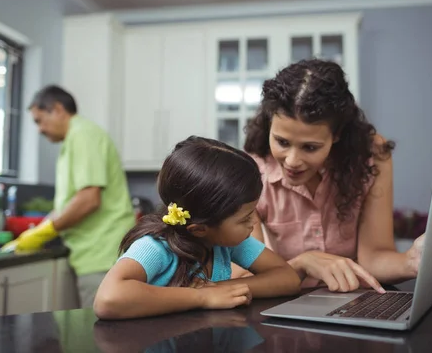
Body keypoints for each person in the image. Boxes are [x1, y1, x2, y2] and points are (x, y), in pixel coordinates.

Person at [233, 58, 432, 292]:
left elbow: (374, 256)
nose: (292, 161)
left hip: (353, 302)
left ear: (337, 135)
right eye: (282, 141)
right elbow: (250, 276)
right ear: (269, 124)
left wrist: (414, 262)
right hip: (284, 303)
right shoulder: (252, 172)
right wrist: (303, 263)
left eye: (310, 147)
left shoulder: (371, 157)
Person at [93, 136, 301, 320]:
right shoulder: (156, 247)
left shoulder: (226, 242)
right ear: (199, 229)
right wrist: (202, 296)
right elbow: (108, 299)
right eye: (244, 218)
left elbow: (288, 278)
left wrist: (220, 289)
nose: (253, 223)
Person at [1, 85, 135, 307]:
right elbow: (67, 203)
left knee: (98, 336)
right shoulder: (74, 140)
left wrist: (47, 230)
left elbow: (89, 199)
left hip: (102, 253)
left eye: (39, 120)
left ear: (57, 109)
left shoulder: (83, 135)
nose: (39, 129)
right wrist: (38, 231)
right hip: (92, 252)